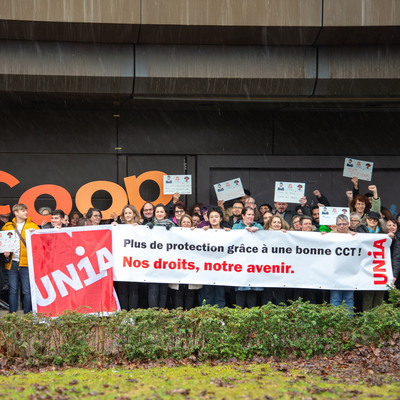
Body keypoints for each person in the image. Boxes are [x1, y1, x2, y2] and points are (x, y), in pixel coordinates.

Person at [2, 204, 39, 313]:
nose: (25, 212)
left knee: (27, 291)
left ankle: (27, 315)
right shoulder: (7, 226)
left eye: (26, 210)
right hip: (12, 263)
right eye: (22, 211)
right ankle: (12, 315)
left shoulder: (33, 226)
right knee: (13, 290)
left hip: (27, 263)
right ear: (16, 213)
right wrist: (5, 250)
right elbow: (3, 243)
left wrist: (35, 234)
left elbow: (39, 243)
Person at [356, 211, 388, 311]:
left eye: (375, 219)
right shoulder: (360, 231)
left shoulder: (383, 232)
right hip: (365, 266)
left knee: (379, 294)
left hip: (380, 265)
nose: (372, 221)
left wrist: (391, 237)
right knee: (367, 295)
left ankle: (377, 321)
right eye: (370, 219)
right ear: (366, 219)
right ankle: (367, 322)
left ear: (378, 221)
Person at [232, 207, 264, 308]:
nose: (251, 217)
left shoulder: (258, 225)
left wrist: (258, 231)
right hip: (240, 264)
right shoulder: (236, 226)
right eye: (249, 215)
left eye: (252, 215)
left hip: (254, 264)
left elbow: (265, 237)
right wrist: (243, 232)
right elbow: (233, 239)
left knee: (252, 291)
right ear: (243, 216)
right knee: (240, 291)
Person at [113, 205, 141, 311]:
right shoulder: (118, 228)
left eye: (130, 213)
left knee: (133, 290)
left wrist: (137, 228)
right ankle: (123, 314)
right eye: (126, 213)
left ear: (134, 214)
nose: (128, 215)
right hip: (122, 264)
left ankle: (132, 315)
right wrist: (114, 227)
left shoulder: (141, 227)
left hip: (135, 264)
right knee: (122, 290)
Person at [329, 214, 357, 313]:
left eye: (344, 224)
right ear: (336, 224)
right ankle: (335, 322)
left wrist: (357, 237)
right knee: (335, 298)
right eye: (339, 224)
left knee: (349, 298)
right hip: (335, 272)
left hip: (350, 272)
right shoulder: (329, 236)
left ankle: (348, 323)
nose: (342, 226)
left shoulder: (355, 236)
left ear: (348, 224)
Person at [201, 207, 227, 308]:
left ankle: (220, 317)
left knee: (221, 295)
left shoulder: (227, 232)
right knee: (208, 295)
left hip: (222, 268)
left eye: (216, 216)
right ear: (208, 219)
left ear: (221, 219)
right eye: (211, 217)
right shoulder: (203, 232)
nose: (214, 219)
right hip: (208, 268)